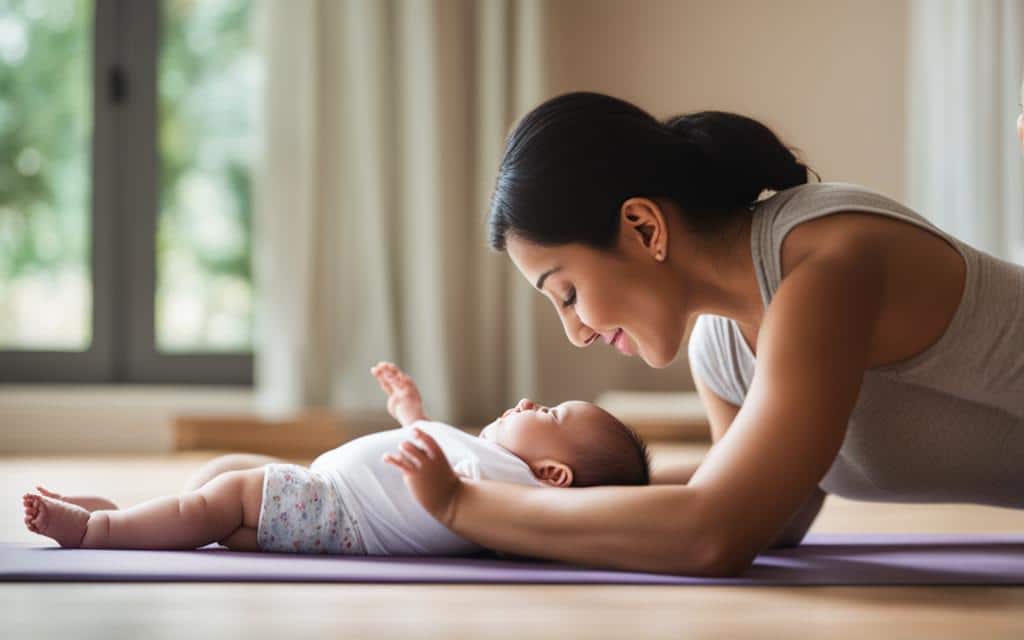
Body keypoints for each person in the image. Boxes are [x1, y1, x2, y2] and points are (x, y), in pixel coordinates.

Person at [379, 91, 1024, 577]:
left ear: (644, 228)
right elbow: (774, 510)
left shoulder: (824, 265)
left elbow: (715, 531)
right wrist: (510, 474)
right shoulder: (720, 346)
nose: (575, 332)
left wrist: (467, 505)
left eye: (568, 294)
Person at [21, 361, 649, 554]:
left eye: (550, 415)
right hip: (324, 498)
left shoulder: (513, 486)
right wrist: (413, 409)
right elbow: (436, 455)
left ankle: (95, 530)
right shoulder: (495, 465)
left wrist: (412, 417)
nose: (526, 400)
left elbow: (436, 465)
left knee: (220, 496)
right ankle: (126, 514)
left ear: (555, 474)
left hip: (338, 512)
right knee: (215, 482)